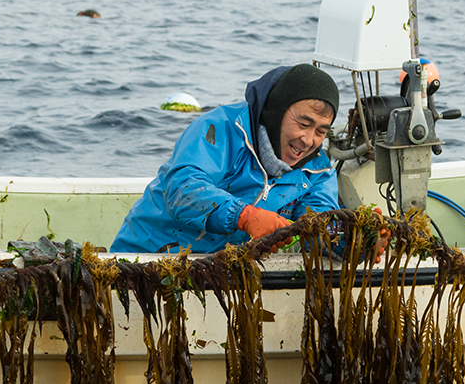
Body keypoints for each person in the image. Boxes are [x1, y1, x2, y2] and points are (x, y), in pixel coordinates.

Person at [110, 63, 341, 254]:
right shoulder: (220, 128)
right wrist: (243, 216)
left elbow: (320, 228)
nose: (308, 140)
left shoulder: (318, 173)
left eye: (321, 131)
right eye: (303, 124)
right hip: (147, 256)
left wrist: (356, 241)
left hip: (224, 272)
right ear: (277, 111)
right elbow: (183, 188)